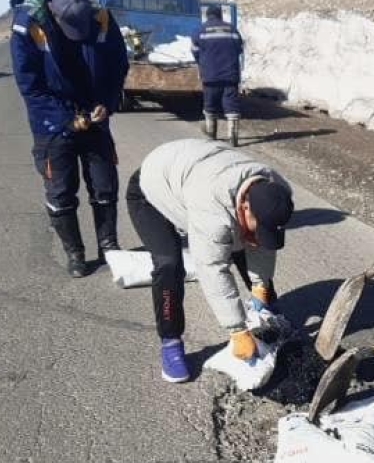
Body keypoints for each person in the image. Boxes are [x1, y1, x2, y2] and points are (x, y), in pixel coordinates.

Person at [126, 139, 294, 383]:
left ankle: (269, 314)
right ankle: (170, 344)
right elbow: (213, 268)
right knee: (169, 265)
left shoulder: (277, 190)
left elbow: (262, 245)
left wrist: (260, 287)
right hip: (150, 191)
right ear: (245, 206)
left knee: (248, 238)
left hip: (191, 172)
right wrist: (237, 330)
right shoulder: (212, 210)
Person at [10, 0, 129, 277]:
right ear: (53, 12)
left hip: (94, 113)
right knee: (61, 191)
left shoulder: (101, 18)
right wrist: (66, 120)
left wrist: (107, 102)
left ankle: (109, 246)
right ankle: (75, 253)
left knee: (104, 185)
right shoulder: (27, 26)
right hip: (52, 123)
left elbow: (118, 65)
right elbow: (30, 86)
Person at [191, 5, 244, 145]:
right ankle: (233, 137)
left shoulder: (200, 30)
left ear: (208, 15)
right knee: (231, 103)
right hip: (230, 74)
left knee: (210, 103)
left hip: (210, 75)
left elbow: (195, 51)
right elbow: (239, 49)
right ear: (220, 15)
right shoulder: (232, 29)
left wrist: (202, 62)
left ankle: (211, 133)